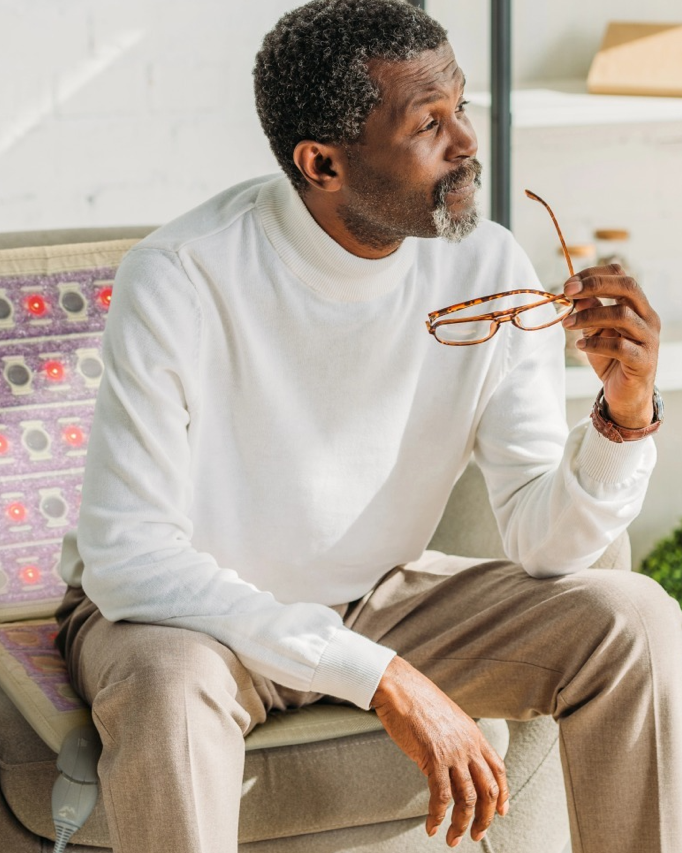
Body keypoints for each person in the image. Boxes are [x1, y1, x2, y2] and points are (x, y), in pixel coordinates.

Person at [55, 1, 681, 851]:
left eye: (460, 107)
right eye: (430, 122)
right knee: (168, 684)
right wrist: (379, 676)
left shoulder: (489, 265)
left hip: (377, 595)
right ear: (322, 162)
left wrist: (624, 414)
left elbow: (543, 541)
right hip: (191, 621)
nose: (466, 142)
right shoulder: (181, 277)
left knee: (636, 617)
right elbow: (131, 561)